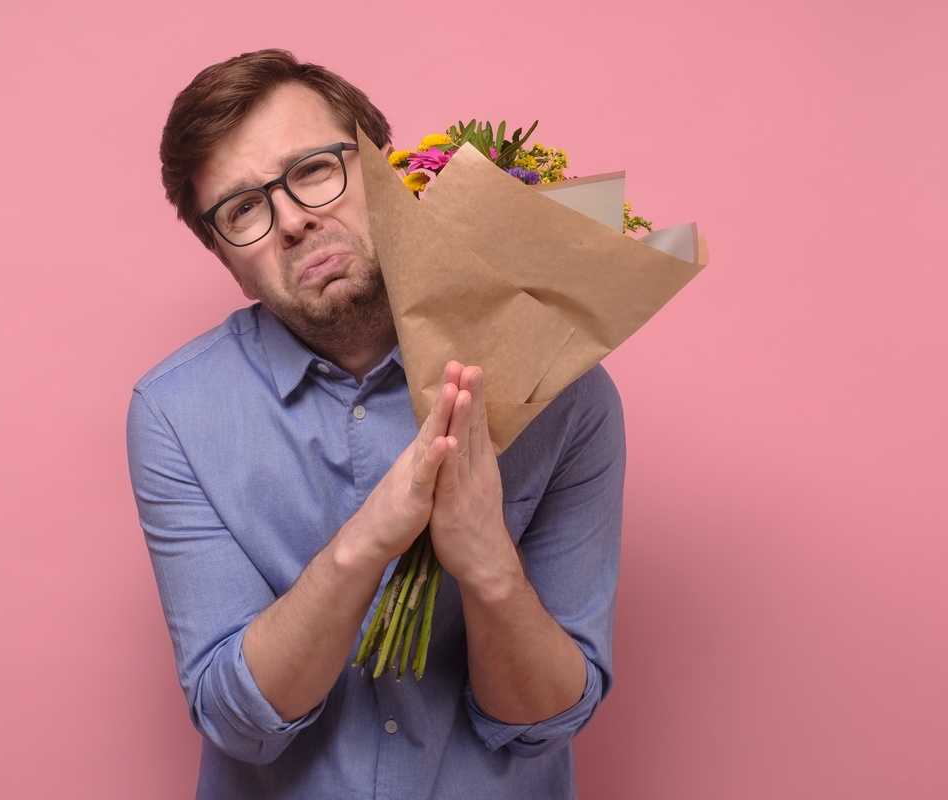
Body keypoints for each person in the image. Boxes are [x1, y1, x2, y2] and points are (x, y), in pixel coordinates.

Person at [127, 49, 625, 800]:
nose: (293, 219)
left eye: (315, 169)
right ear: (222, 254)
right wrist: (370, 539)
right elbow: (239, 723)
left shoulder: (567, 395)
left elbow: (545, 722)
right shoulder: (175, 413)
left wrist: (487, 563)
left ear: (386, 169)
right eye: (243, 209)